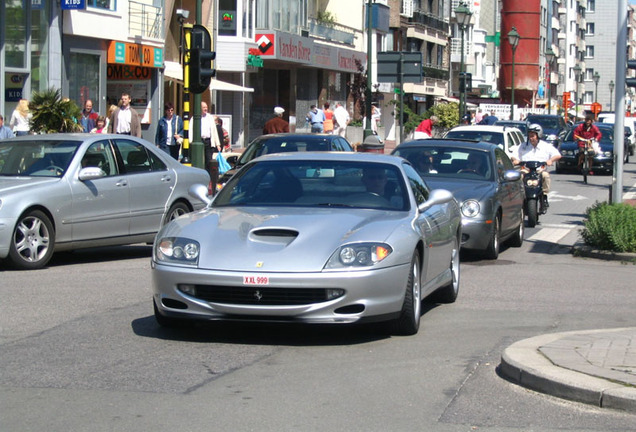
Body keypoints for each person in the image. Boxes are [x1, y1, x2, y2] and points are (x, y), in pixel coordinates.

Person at [511, 123, 561, 204]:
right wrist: (515, 160)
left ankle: (544, 196)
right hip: (526, 170)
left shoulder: (546, 146)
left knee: (546, 176)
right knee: (518, 177)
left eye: (533, 136)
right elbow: (513, 155)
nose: (531, 138)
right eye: (529, 136)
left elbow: (558, 155)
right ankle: (519, 197)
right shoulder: (523, 146)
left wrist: (550, 160)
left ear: (538, 135)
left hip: (539, 170)